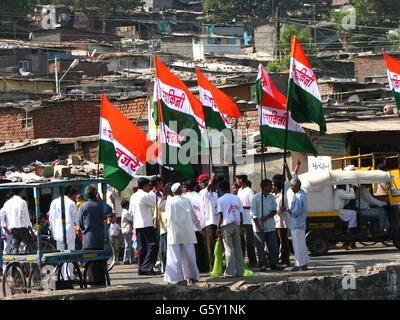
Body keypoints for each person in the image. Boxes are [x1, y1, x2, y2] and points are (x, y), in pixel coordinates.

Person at [164, 183, 201, 285]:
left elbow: (168, 217)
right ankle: (192, 277)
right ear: (180, 190)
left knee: (174, 257)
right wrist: (199, 228)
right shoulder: (186, 200)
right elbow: (193, 216)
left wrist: (168, 229)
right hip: (187, 232)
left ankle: (177, 278)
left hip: (174, 232)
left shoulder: (169, 202)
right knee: (189, 256)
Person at [250, 179, 284, 271]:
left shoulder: (272, 197)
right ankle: (262, 264)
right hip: (258, 227)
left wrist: (266, 217)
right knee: (260, 247)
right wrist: (258, 226)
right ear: (264, 187)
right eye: (270, 186)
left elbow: (274, 211)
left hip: (270, 225)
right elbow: (253, 214)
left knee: (273, 246)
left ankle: (274, 263)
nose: (272, 187)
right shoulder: (256, 198)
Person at [129, 177, 159, 275]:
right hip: (146, 223)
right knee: (153, 245)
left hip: (137, 224)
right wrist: (154, 193)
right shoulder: (145, 195)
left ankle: (141, 268)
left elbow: (130, 211)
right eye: (148, 186)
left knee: (141, 247)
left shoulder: (133, 196)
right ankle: (147, 267)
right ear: (145, 186)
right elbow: (155, 204)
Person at [49, 187, 79, 280]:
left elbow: (51, 218)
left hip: (58, 233)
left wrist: (53, 230)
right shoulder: (71, 203)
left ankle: (62, 276)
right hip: (69, 232)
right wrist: (78, 226)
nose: (76, 198)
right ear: (72, 194)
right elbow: (76, 218)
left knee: (61, 256)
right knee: (70, 255)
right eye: (75, 196)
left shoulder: (54, 202)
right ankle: (69, 276)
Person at [79, 186, 107, 286]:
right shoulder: (101, 205)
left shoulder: (83, 206)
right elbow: (109, 210)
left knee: (90, 263)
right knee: (100, 261)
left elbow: (81, 224)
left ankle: (93, 283)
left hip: (88, 238)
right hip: (100, 237)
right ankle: (101, 282)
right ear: (96, 194)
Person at [217, 180, 244, 278]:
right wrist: (241, 226)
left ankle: (230, 272)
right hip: (236, 225)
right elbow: (241, 213)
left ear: (220, 189)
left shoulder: (220, 199)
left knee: (229, 250)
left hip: (226, 226)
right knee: (238, 249)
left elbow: (220, 214)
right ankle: (240, 271)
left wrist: (218, 227)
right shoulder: (236, 198)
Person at [182, 179, 209, 272]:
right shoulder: (199, 196)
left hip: (188, 226)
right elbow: (204, 210)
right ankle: (203, 267)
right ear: (195, 187)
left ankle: (193, 268)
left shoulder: (183, 197)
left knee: (191, 248)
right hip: (200, 226)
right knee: (201, 247)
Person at [285, 178, 309, 271]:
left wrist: (287, 210)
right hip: (300, 223)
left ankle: (299, 265)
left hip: (297, 223)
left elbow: (296, 212)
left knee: (297, 246)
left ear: (297, 186)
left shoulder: (298, 196)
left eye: (292, 185)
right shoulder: (302, 193)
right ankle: (304, 264)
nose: (290, 187)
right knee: (302, 245)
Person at [1, 190, 36, 254]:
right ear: (20, 193)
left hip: (12, 229)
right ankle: (39, 261)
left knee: (15, 248)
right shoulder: (22, 202)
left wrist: (5, 229)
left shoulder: (7, 203)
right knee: (32, 245)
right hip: (22, 228)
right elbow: (25, 218)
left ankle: (14, 263)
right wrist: (31, 232)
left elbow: (1, 215)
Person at [236, 175, 257, 268]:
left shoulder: (249, 191)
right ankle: (241, 262)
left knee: (249, 242)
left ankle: (252, 261)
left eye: (237, 179)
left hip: (248, 220)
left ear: (241, 180)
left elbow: (253, 205)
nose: (236, 181)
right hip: (240, 220)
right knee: (241, 243)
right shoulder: (239, 190)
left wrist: (242, 207)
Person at [199, 172, 219, 272]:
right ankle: (212, 267)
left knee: (218, 246)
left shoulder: (215, 194)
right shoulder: (204, 193)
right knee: (210, 246)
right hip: (209, 223)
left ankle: (218, 265)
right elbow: (210, 184)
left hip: (217, 222)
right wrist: (212, 176)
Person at [272, 180, 291, 267]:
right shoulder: (274, 196)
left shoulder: (282, 197)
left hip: (281, 223)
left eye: (273, 185)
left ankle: (285, 260)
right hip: (276, 222)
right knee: (277, 242)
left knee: (283, 242)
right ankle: (280, 259)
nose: (271, 187)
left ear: (276, 187)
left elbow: (278, 211)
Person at [334, 185, 358, 250]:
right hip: (338, 211)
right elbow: (352, 196)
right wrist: (351, 188)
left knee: (351, 213)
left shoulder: (337, 191)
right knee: (354, 213)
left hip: (338, 210)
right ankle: (349, 229)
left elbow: (345, 203)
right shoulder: (340, 191)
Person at [157, 183, 173, 273]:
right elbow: (158, 211)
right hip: (165, 229)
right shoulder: (162, 200)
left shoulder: (171, 200)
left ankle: (168, 269)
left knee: (166, 251)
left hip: (168, 229)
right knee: (164, 251)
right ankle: (166, 269)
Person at [121, 200, 133, 265]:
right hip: (127, 230)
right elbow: (130, 220)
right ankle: (126, 259)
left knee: (127, 245)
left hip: (124, 230)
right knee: (128, 245)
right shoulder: (126, 212)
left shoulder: (123, 212)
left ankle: (128, 259)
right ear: (126, 205)